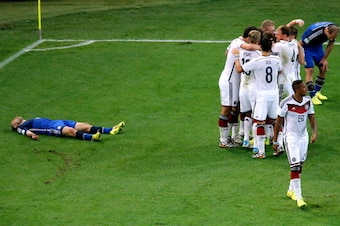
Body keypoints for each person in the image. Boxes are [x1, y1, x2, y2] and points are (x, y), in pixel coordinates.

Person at [233, 36, 282, 158]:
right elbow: (280, 70)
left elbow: (239, 69)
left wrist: (236, 57)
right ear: (271, 47)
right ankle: (279, 145)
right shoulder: (276, 59)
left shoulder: (256, 62)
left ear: (260, 46)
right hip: (274, 94)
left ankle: (261, 152)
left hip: (262, 96)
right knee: (275, 121)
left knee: (259, 123)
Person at [272, 80, 317, 208]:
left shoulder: (308, 101)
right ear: (297, 90)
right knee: (295, 166)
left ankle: (291, 190)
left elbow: (312, 117)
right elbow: (278, 122)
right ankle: (299, 198)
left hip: (303, 136)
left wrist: (314, 132)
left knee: (300, 165)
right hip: (291, 137)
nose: (306, 88)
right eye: (303, 87)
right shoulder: (286, 103)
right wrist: (275, 140)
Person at [218, 26, 260, 148]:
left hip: (235, 81)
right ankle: (223, 140)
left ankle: (235, 136)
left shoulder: (236, 41)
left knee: (235, 109)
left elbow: (226, 53)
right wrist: (263, 47)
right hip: (229, 81)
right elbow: (249, 47)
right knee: (226, 109)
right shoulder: (241, 43)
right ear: (247, 37)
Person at [300, 21, 340, 105]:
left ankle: (318, 92)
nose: (330, 38)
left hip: (317, 47)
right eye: (329, 36)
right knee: (310, 70)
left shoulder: (333, 30)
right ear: (326, 31)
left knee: (323, 68)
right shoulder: (313, 33)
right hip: (308, 48)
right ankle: (312, 96)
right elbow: (301, 44)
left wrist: (324, 59)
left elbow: (331, 43)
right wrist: (301, 56)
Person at [237, 30, 262, 149]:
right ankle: (256, 144)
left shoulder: (241, 52)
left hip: (243, 87)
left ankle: (246, 139)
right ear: (258, 40)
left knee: (246, 113)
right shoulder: (258, 54)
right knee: (256, 115)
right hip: (253, 87)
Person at [11, 116, 125, 141]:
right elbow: (25, 132)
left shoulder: (27, 120)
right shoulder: (21, 127)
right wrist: (32, 135)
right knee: (71, 131)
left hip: (57, 121)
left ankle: (110, 130)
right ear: (15, 126)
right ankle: (92, 138)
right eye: (14, 120)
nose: (15, 117)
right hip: (51, 128)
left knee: (85, 125)